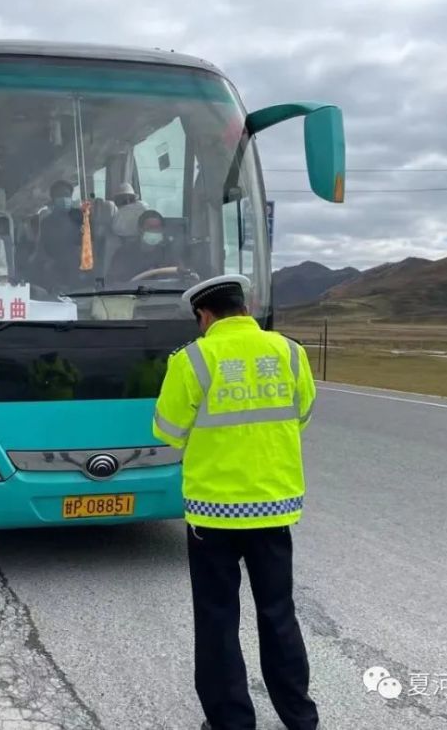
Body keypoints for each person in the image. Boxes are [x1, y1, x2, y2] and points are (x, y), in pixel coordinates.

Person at [152, 274, 318, 730]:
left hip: (213, 513)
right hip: (273, 507)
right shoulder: (289, 352)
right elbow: (301, 412)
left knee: (217, 619)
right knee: (278, 612)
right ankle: (299, 717)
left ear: (204, 315)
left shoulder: (192, 360)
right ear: (244, 308)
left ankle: (231, 721)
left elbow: (166, 432)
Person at [108, 210, 175, 282]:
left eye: (157, 227)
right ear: (140, 229)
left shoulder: (168, 252)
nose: (154, 231)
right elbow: (114, 281)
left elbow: (179, 273)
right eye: (150, 227)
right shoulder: (124, 252)